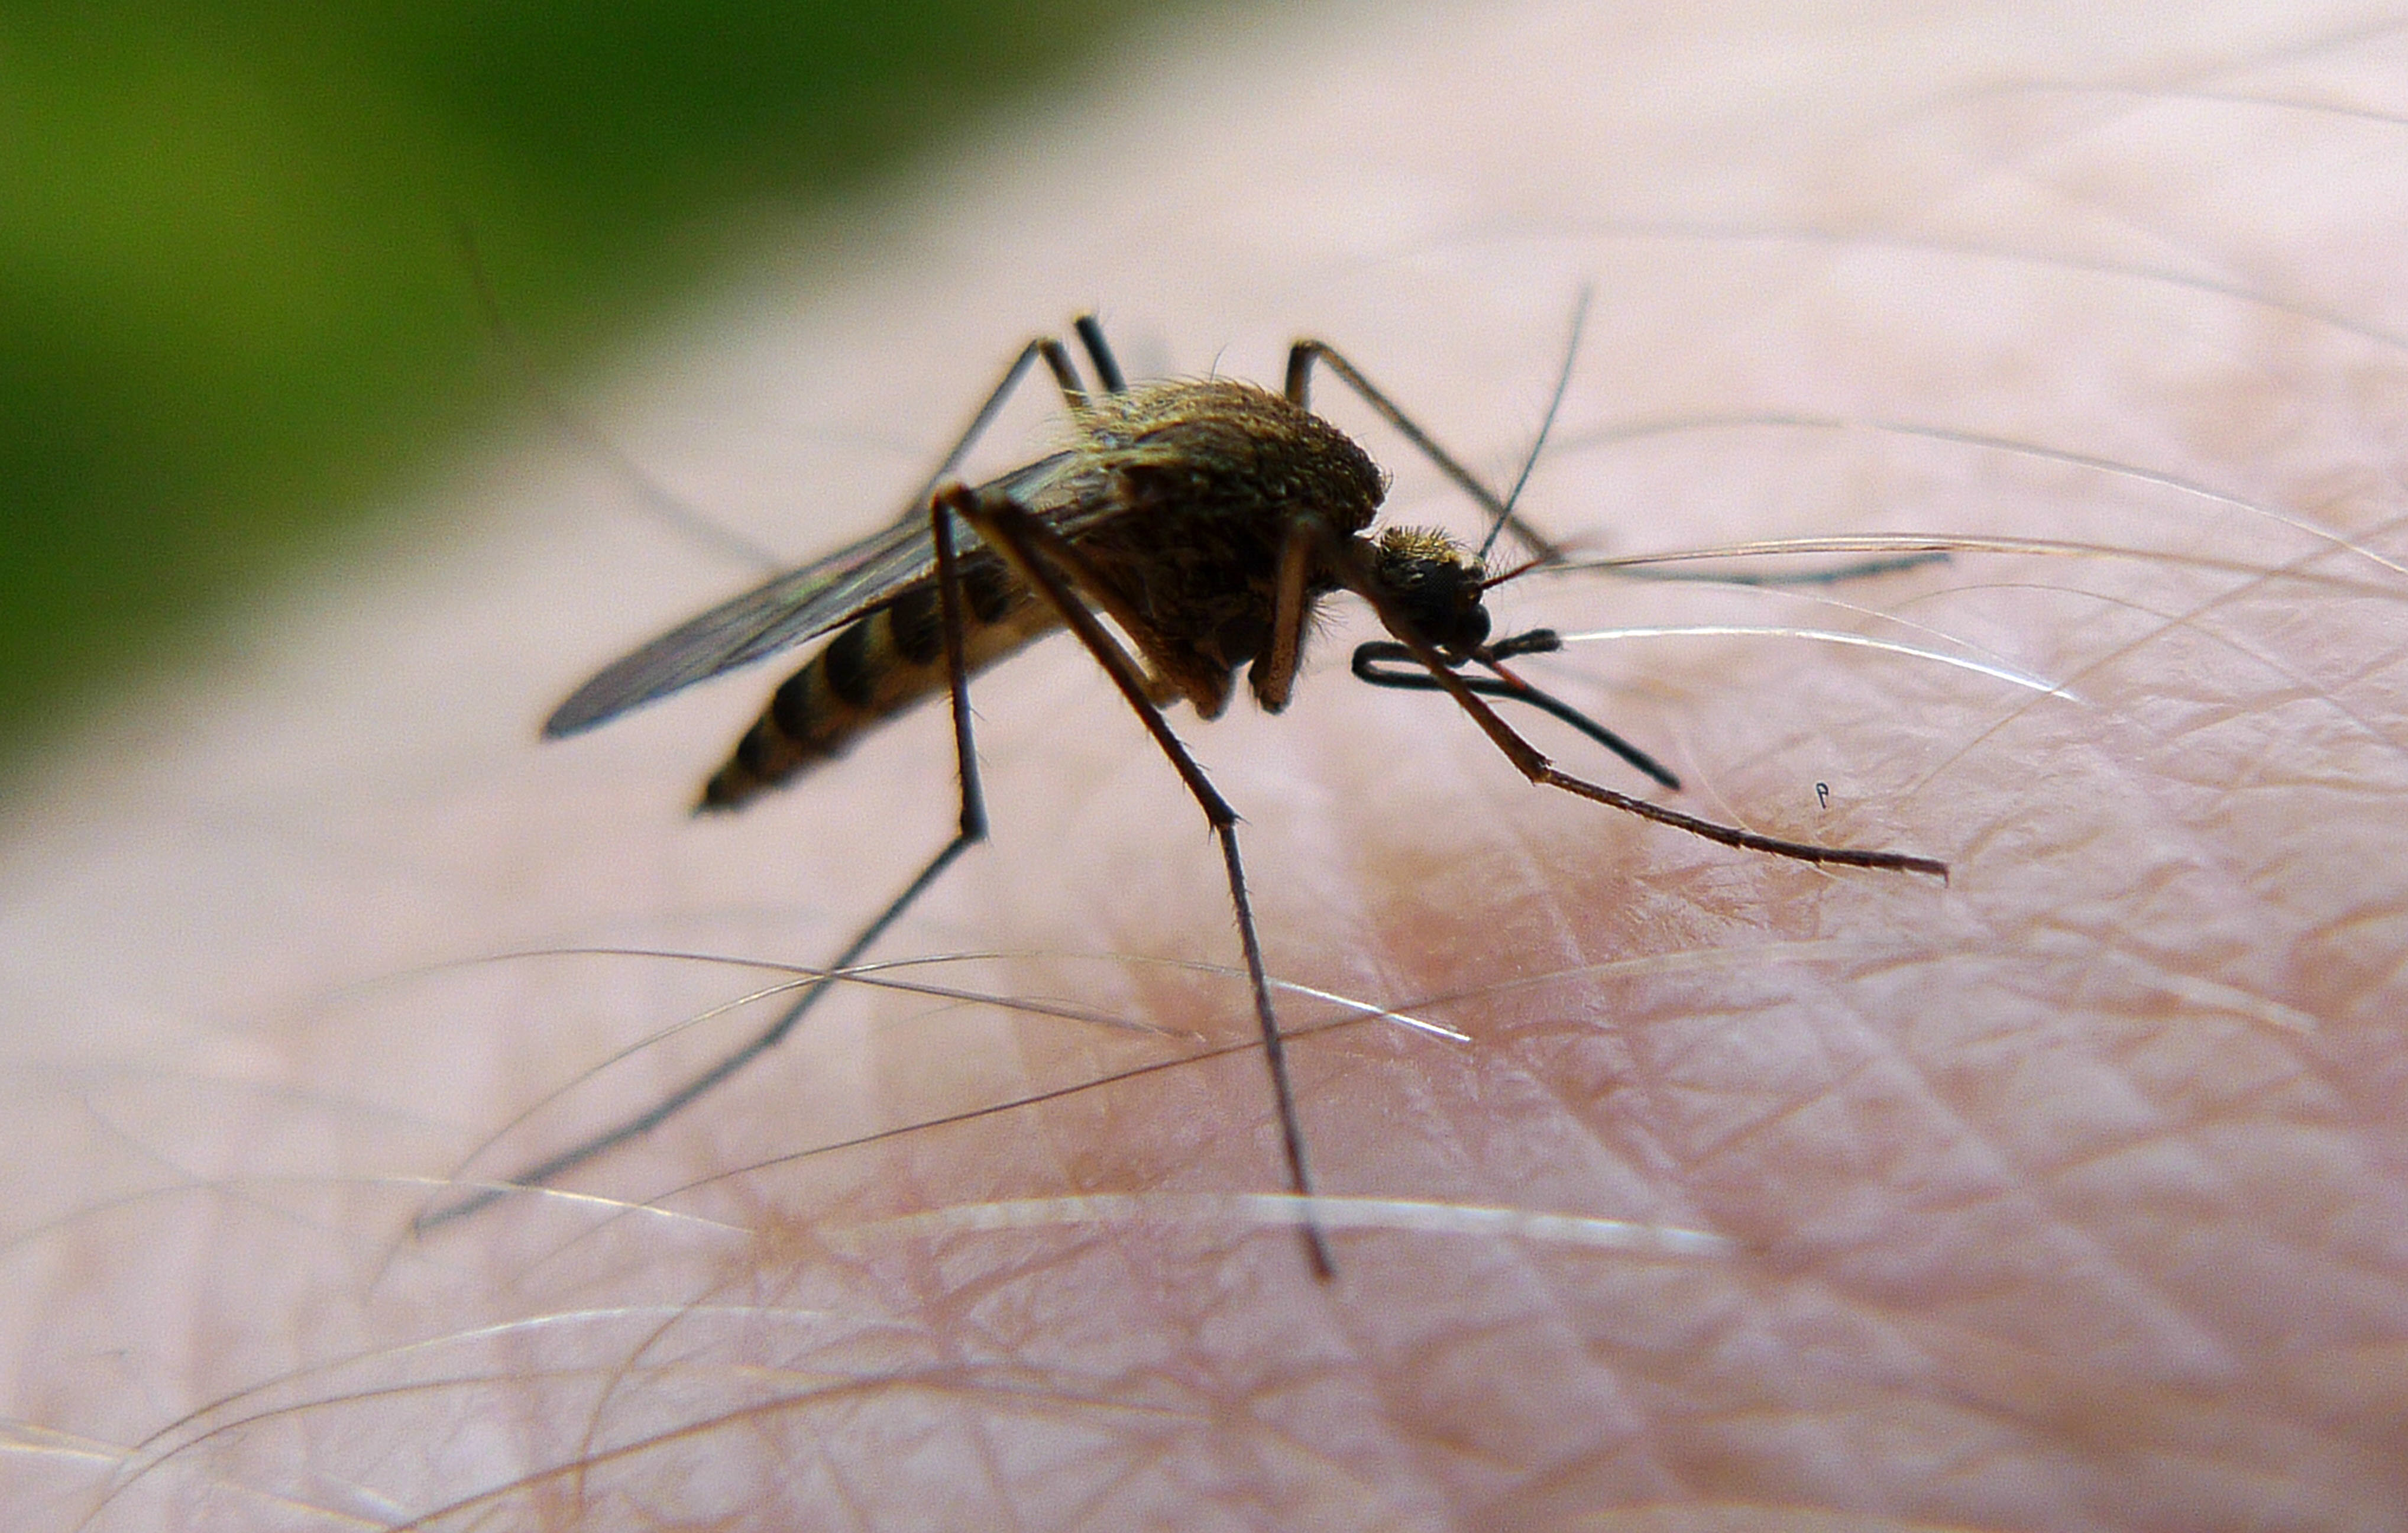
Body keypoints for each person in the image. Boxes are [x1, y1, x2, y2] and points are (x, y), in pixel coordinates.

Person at [9, 3, 2402, 1527]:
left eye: (1435, 615)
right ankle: (899, 781)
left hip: (1124, 511)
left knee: (1228, 396)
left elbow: (1343, 542)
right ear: (1370, 574)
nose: (1431, 637)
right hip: (1000, 558)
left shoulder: (1331, 511)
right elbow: (1163, 585)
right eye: (1431, 616)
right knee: (1063, 588)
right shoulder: (1274, 538)